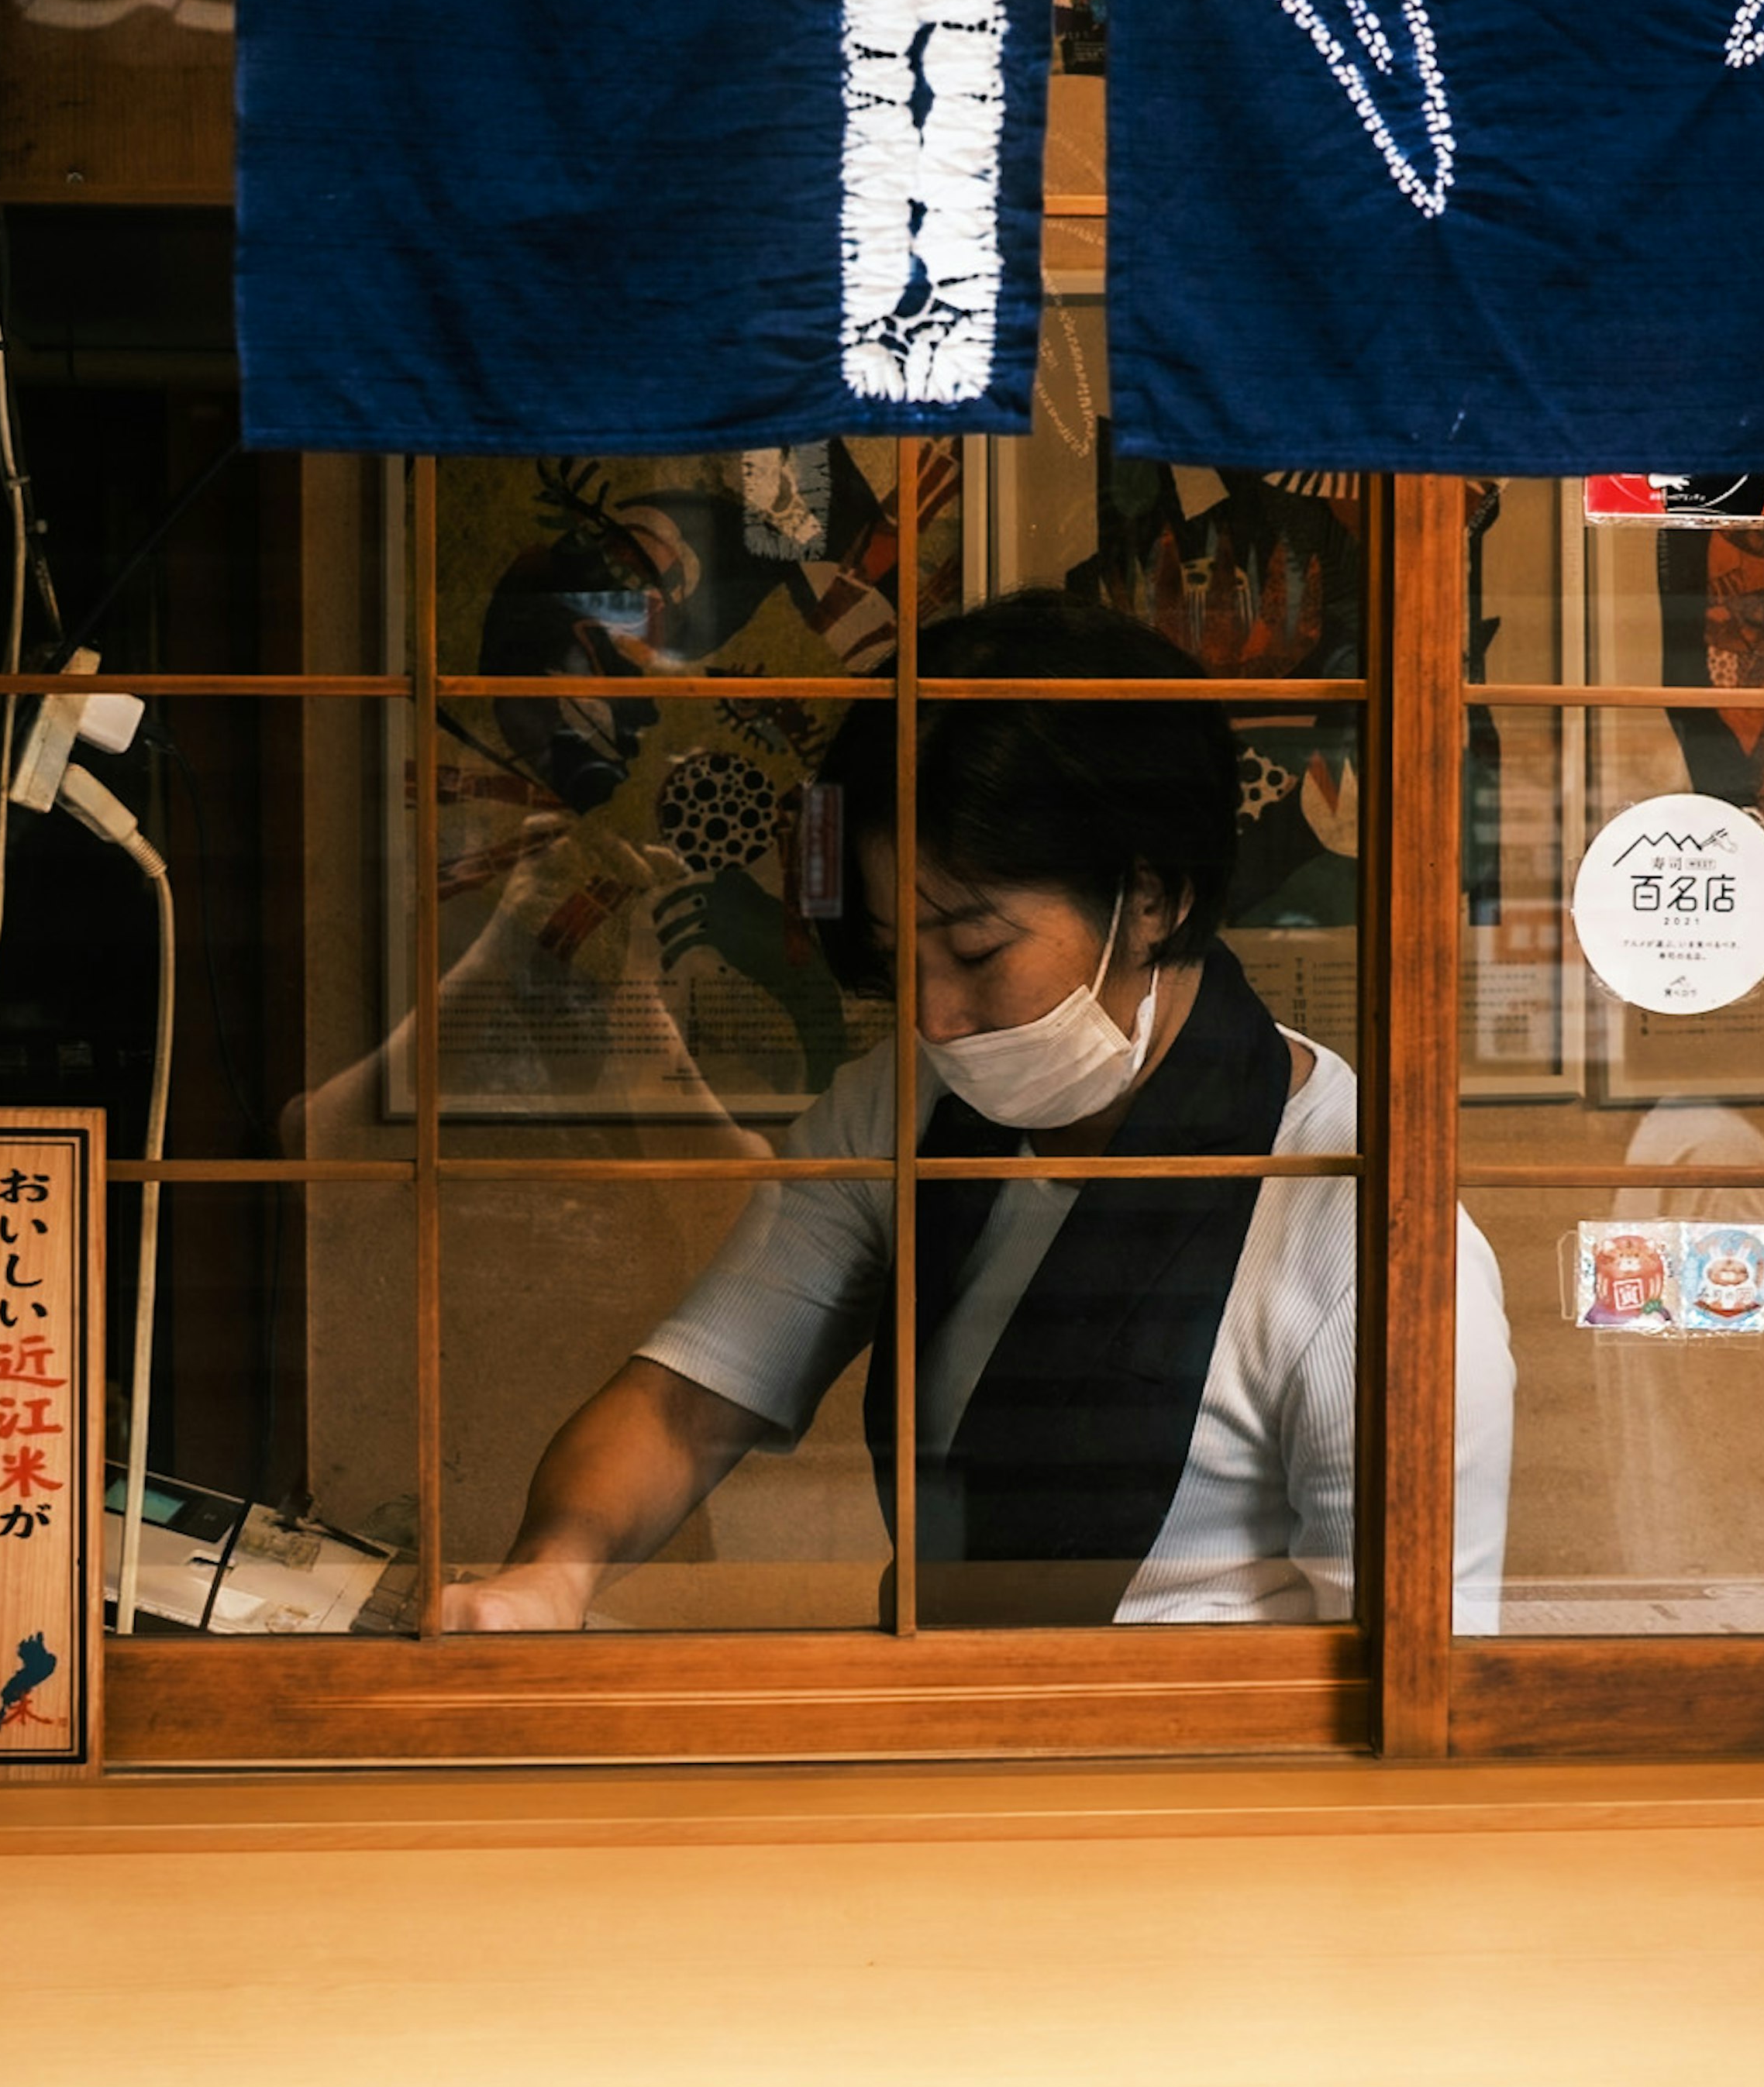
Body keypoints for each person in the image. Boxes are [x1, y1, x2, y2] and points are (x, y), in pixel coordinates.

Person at [443, 592, 1513, 1631]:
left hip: (1206, 1785)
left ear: (1152, 898)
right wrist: (552, 1570)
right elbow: (686, 1401)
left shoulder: (1366, 1235)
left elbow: (1418, 1674)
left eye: (975, 950)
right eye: (901, 954)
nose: (937, 1017)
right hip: (938, 1734)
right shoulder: (899, 1108)